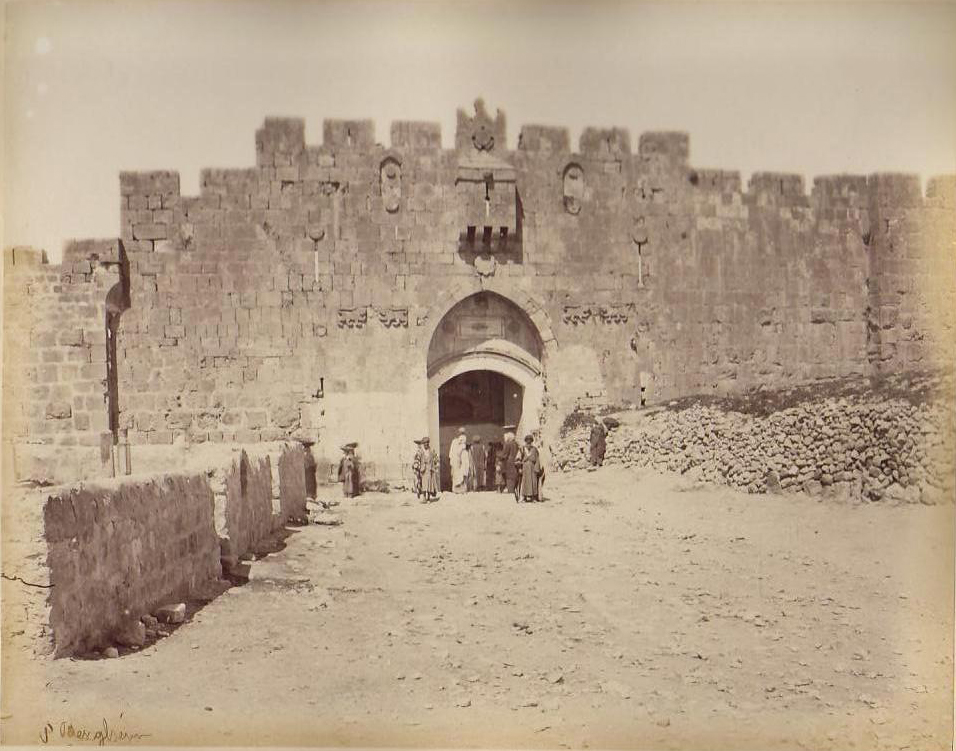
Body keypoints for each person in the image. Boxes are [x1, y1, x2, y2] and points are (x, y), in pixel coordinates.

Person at [412, 436, 440, 502]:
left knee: (430, 484)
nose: (426, 444)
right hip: (423, 469)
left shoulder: (431, 451)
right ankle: (424, 497)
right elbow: (416, 459)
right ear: (423, 444)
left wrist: (436, 466)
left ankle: (428, 497)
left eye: (427, 443)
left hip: (430, 469)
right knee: (424, 484)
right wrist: (416, 466)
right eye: (425, 443)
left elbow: (436, 458)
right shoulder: (421, 451)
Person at [518, 434, 544, 502]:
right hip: (525, 467)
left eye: (530, 441)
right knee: (525, 482)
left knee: (533, 482)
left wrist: (537, 468)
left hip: (533, 468)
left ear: (531, 442)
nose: (528, 443)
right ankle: (524, 497)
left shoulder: (534, 449)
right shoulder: (522, 449)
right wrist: (519, 468)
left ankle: (533, 497)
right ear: (525, 441)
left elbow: (537, 459)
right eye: (527, 441)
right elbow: (518, 459)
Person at [449, 427, 469, 493]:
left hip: (458, 459)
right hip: (457, 459)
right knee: (457, 473)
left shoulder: (460, 440)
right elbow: (456, 452)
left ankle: (461, 488)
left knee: (460, 473)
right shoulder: (456, 441)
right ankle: (457, 488)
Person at [500, 427, 519, 495]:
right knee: (514, 477)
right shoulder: (516, 444)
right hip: (515, 462)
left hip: (508, 463)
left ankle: (510, 491)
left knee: (508, 478)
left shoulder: (508, 444)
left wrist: (499, 457)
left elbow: (504, 455)